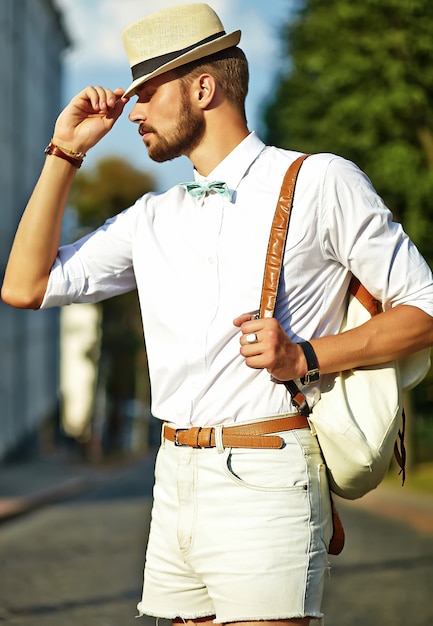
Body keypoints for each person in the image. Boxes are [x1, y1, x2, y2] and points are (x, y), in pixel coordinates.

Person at [2, 3, 433, 625]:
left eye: (147, 92)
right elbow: (24, 285)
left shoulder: (317, 182)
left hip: (267, 472)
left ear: (203, 87)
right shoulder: (153, 217)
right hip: (173, 475)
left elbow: (422, 308)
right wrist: (64, 153)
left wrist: (305, 357)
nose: (135, 113)